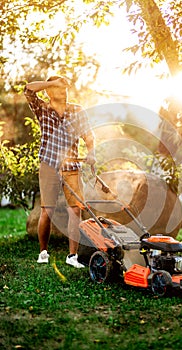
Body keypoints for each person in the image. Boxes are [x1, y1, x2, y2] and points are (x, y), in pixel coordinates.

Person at [24, 75, 96, 268]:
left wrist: (92, 153)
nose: (63, 92)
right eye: (58, 88)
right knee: (47, 211)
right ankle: (43, 252)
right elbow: (28, 89)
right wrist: (52, 83)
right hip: (48, 166)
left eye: (64, 88)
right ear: (48, 92)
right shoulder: (43, 109)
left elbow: (88, 135)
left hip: (72, 167)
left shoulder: (77, 110)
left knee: (75, 211)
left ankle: (72, 256)